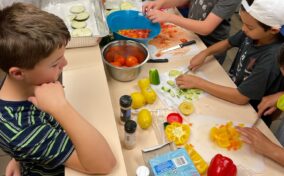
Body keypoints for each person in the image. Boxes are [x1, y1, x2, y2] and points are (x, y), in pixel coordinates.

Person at [0, 3, 116, 176]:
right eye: (55, 64)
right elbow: (105, 164)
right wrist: (60, 108)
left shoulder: (19, 83)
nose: (65, 64)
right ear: (17, 73)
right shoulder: (23, 132)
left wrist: (18, 157)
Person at [176, 0, 284, 125]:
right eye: (243, 23)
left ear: (273, 30)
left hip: (250, 112)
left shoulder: (271, 59)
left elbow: (241, 97)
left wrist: (198, 82)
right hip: (233, 90)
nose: (243, 29)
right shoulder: (253, 32)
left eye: (249, 27)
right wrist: (205, 53)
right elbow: (228, 43)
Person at [142, 0, 241, 64]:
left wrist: (168, 17)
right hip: (192, 35)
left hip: (210, 46)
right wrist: (161, 2)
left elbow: (206, 28)